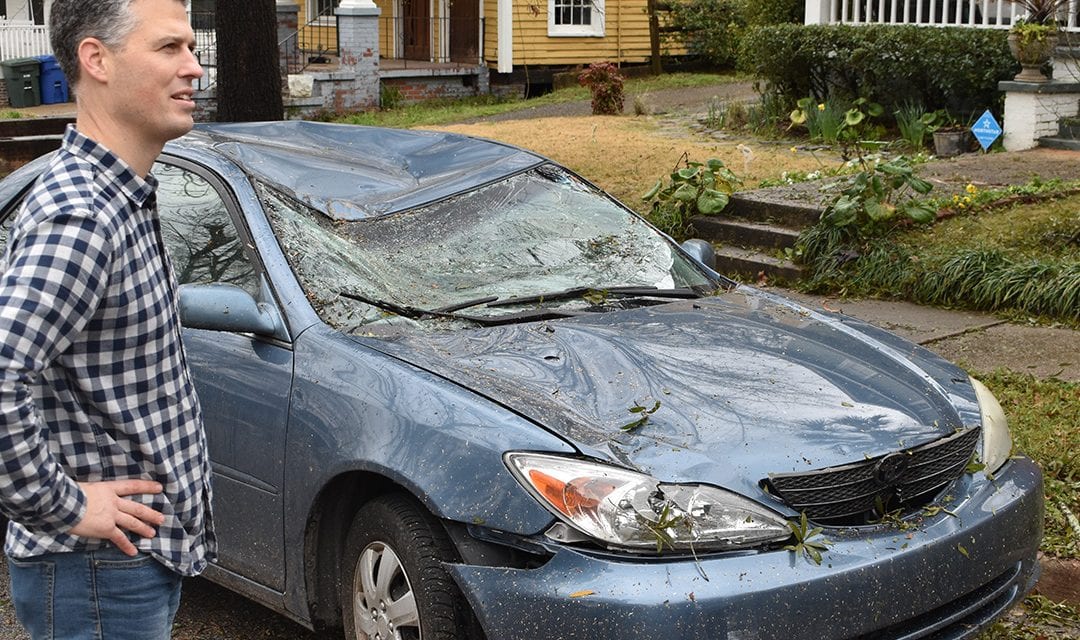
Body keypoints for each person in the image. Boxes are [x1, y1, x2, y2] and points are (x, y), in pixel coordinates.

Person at [0, 0, 213, 637]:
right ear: (96, 59)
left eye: (191, 48)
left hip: (127, 569)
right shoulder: (82, 217)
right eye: (170, 48)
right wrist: (63, 506)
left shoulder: (117, 199)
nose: (194, 68)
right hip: (96, 573)